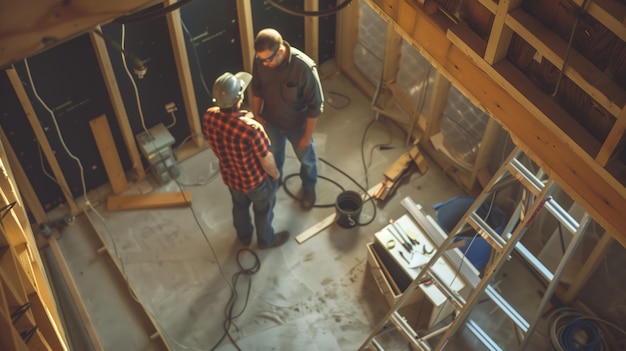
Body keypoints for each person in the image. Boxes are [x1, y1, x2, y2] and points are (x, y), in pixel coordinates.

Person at [202, 71, 289, 249]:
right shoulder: (252, 129)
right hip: (255, 182)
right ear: (238, 99)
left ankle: (244, 237)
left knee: (239, 207)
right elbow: (266, 159)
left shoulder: (209, 116)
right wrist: (275, 174)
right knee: (263, 211)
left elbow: (217, 142)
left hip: (231, 178)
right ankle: (266, 240)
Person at [251, 28, 324, 210]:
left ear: (281, 51)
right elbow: (257, 88)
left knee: (306, 160)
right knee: (274, 157)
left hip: (297, 126)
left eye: (268, 60)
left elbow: (316, 106)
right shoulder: (261, 60)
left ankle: (309, 187)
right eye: (261, 60)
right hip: (271, 123)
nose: (264, 64)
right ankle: (276, 181)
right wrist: (256, 114)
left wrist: (306, 137)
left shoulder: (303, 68)